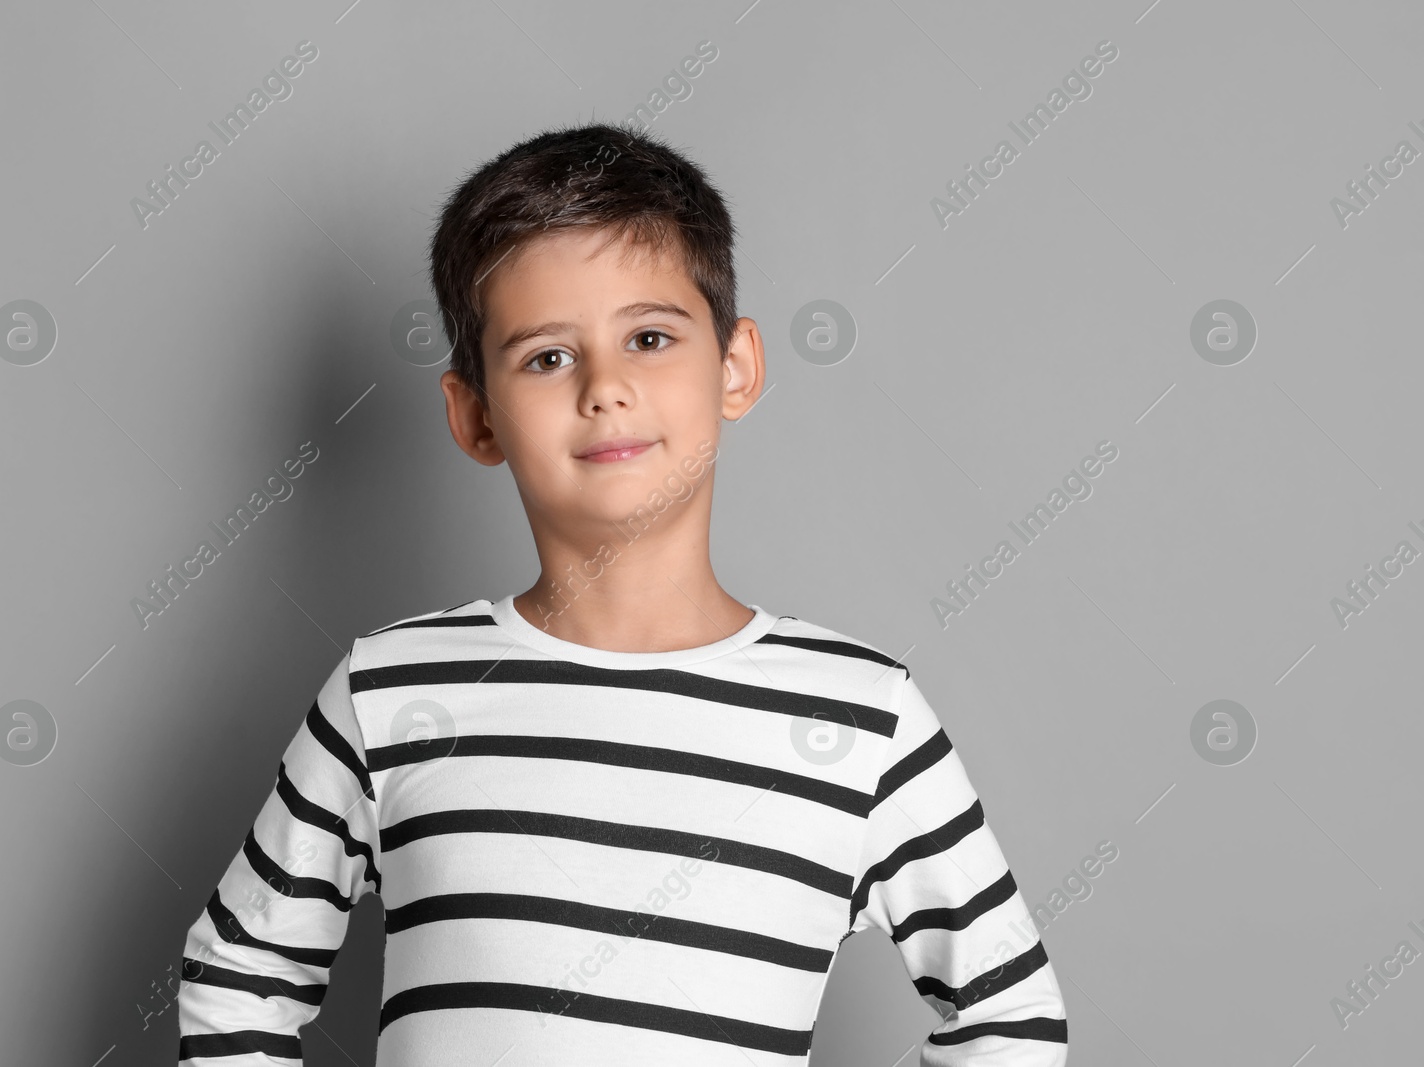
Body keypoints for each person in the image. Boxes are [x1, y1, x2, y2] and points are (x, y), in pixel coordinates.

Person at [175, 121, 1068, 1065]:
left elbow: (1009, 1017)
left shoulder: (862, 717)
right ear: (476, 415)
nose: (605, 387)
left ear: (737, 367)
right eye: (547, 356)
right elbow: (237, 977)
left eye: (648, 337)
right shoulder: (388, 690)